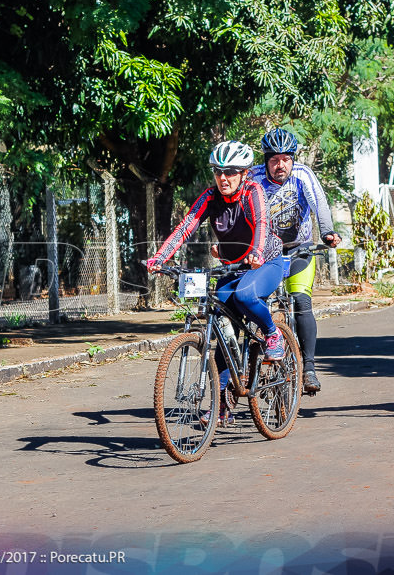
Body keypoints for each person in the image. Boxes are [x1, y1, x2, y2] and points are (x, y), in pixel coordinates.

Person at [146, 140, 286, 423]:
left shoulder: (253, 191)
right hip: (232, 267)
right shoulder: (210, 197)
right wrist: (160, 257)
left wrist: (257, 253)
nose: (224, 178)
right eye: (219, 172)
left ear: (244, 173)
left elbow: (261, 224)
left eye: (231, 172)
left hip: (266, 261)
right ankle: (222, 403)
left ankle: (273, 333)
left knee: (246, 296)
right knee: (221, 323)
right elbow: (187, 225)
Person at [249, 128, 341, 394]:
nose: (281, 165)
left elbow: (319, 204)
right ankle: (253, 363)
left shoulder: (302, 174)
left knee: (301, 301)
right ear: (266, 160)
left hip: (299, 248)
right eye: (275, 159)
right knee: (255, 304)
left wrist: (327, 232)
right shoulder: (253, 178)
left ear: (293, 159)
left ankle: (309, 368)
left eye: (286, 159)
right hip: (265, 253)